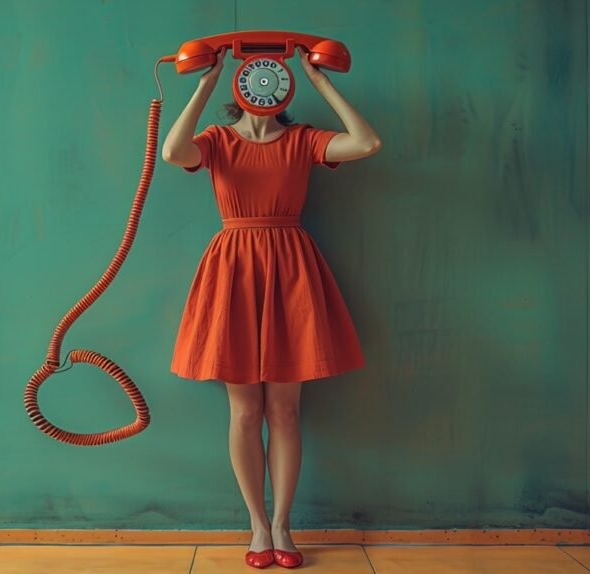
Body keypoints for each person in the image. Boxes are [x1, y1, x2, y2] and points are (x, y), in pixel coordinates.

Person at [162, 45, 382, 569]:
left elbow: (367, 142)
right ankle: (257, 527)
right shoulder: (214, 140)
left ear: (282, 82)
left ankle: (283, 525)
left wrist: (319, 78)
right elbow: (173, 152)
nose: (262, 84)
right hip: (234, 269)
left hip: (290, 270)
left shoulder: (304, 139)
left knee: (285, 409)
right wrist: (206, 81)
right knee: (245, 411)